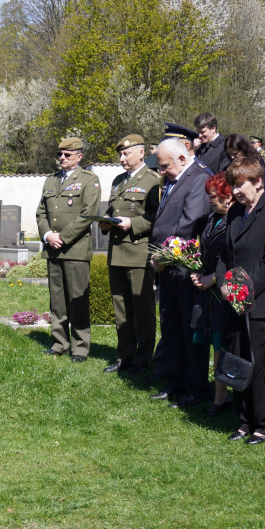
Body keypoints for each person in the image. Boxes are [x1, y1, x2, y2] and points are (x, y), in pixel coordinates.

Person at [215, 157, 265, 445]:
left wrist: (242, 290)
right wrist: (224, 284)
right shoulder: (235, 213)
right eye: (232, 185)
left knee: (261, 363)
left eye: (240, 184)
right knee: (237, 359)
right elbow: (225, 255)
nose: (234, 191)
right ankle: (244, 421)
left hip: (263, 301)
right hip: (234, 300)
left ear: (258, 181)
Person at [150, 138, 213, 407]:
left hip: (186, 269)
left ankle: (196, 388)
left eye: (165, 165)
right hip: (169, 269)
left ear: (183, 159)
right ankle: (175, 381)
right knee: (171, 328)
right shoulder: (174, 179)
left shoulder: (199, 179)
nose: (161, 171)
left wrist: (162, 255)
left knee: (190, 332)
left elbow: (190, 223)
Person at [101, 135, 162, 376]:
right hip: (116, 252)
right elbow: (112, 210)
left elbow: (158, 217)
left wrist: (133, 223)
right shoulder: (118, 181)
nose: (121, 158)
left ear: (141, 153)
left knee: (142, 309)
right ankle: (124, 355)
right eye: (120, 154)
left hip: (138, 252)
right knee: (121, 310)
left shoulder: (153, 180)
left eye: (126, 154)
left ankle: (142, 359)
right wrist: (105, 222)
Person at [37, 137, 101, 362]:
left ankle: (81, 347)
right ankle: (59, 343)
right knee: (57, 299)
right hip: (53, 249)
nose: (62, 158)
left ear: (79, 156)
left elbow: (88, 213)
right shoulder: (50, 181)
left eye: (67, 155)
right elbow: (41, 213)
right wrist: (47, 235)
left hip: (75, 248)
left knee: (78, 299)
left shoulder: (89, 180)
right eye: (60, 154)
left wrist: (62, 237)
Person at [189, 172, 234, 416]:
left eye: (214, 195)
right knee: (213, 346)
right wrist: (197, 272)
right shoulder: (212, 219)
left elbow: (231, 258)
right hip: (207, 292)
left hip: (223, 292)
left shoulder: (235, 221)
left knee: (221, 346)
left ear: (229, 197)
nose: (210, 199)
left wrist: (214, 279)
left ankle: (222, 398)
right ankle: (219, 396)